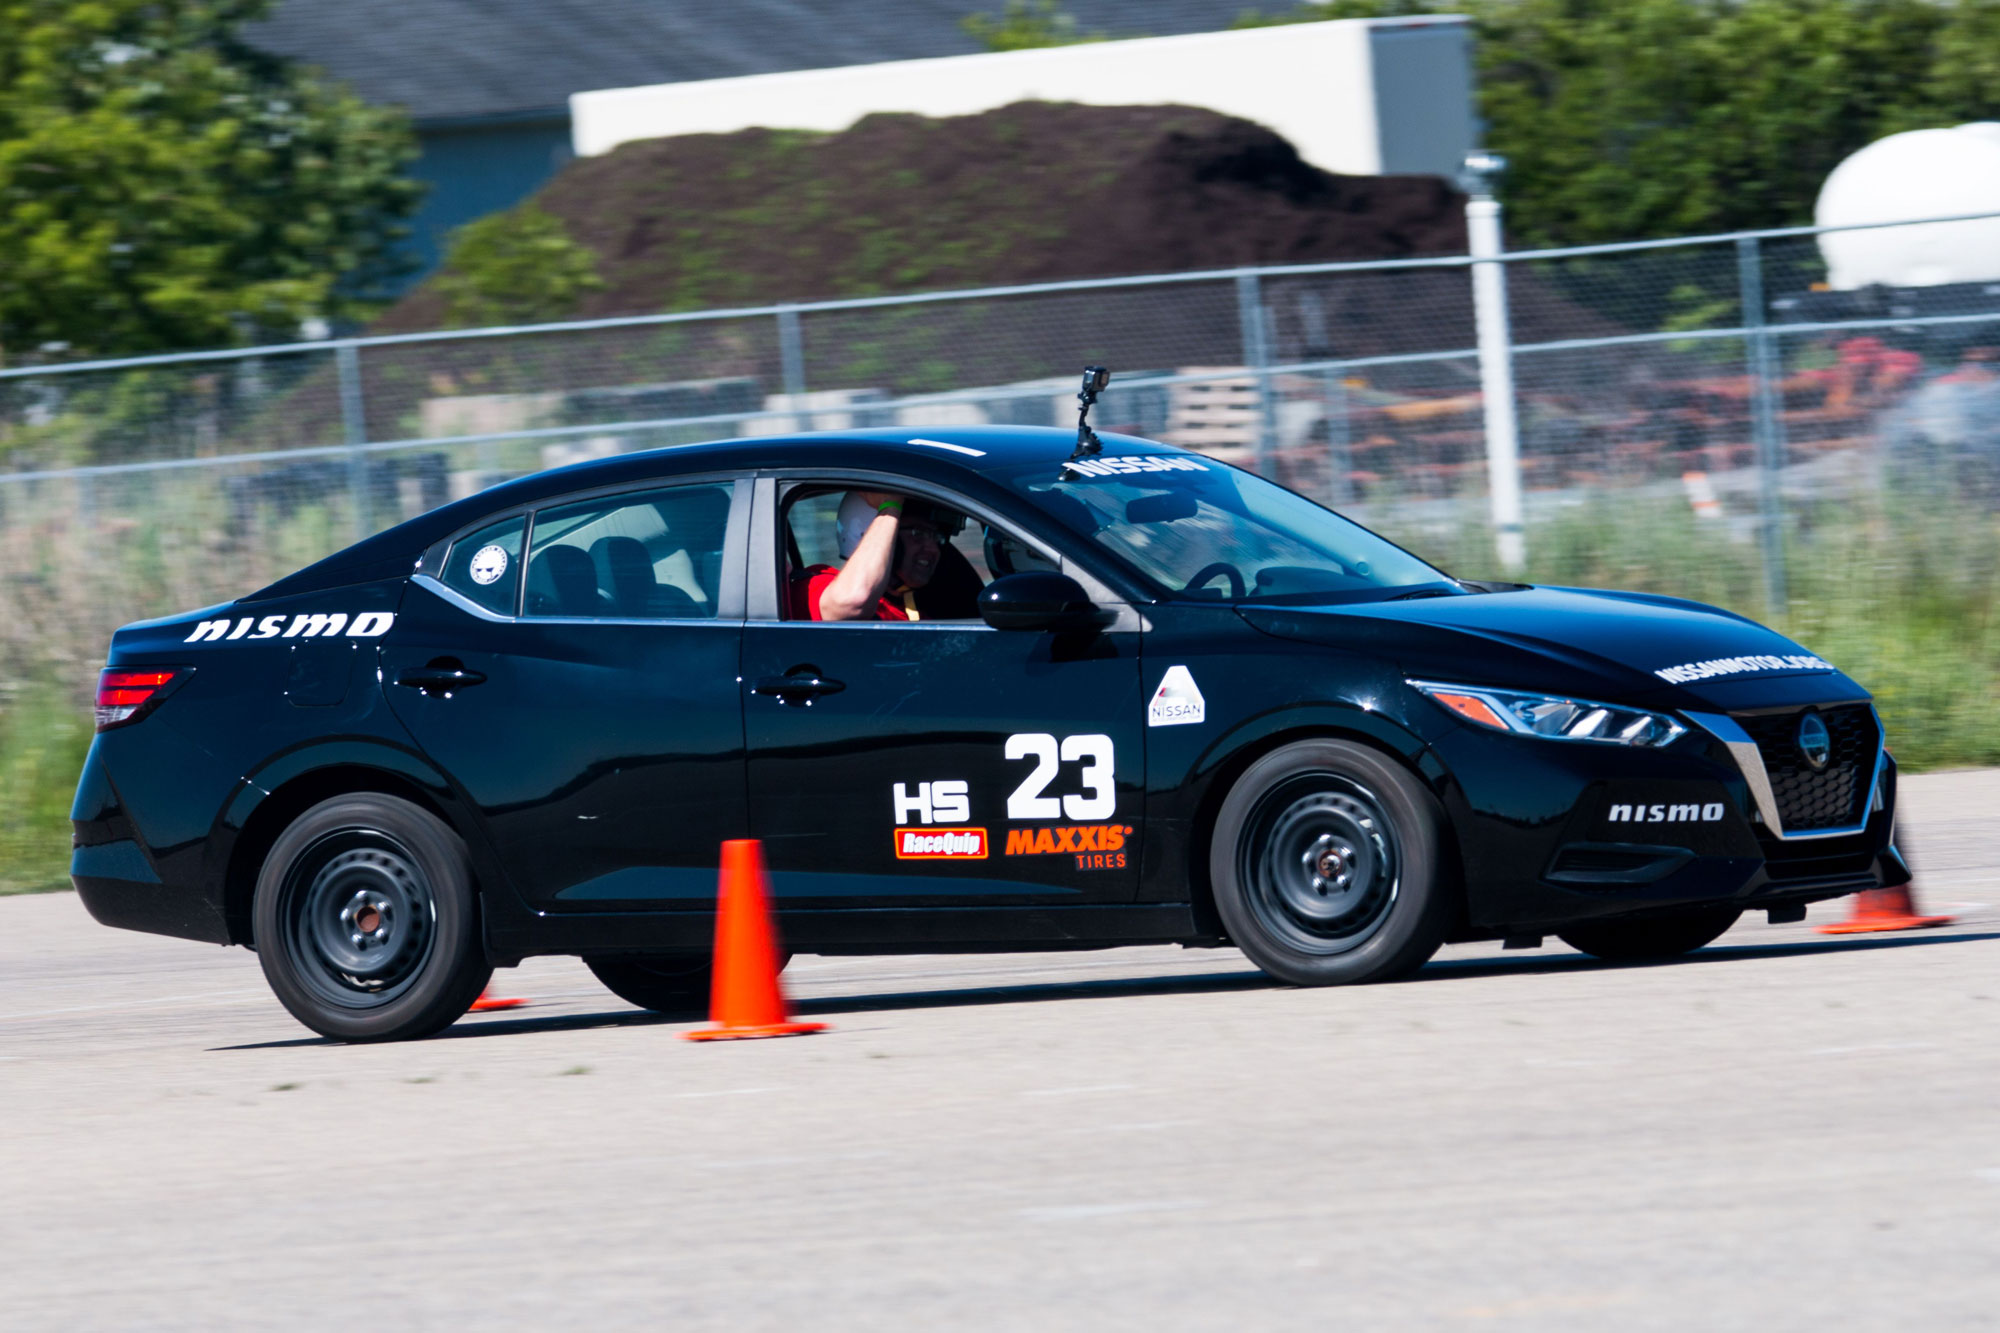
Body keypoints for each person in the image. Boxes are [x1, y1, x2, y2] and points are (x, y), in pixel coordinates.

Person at [788, 491, 946, 621]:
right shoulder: (817, 584)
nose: (934, 549)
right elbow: (852, 601)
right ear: (867, 531)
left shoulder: (913, 613)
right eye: (917, 533)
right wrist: (891, 507)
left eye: (936, 537)